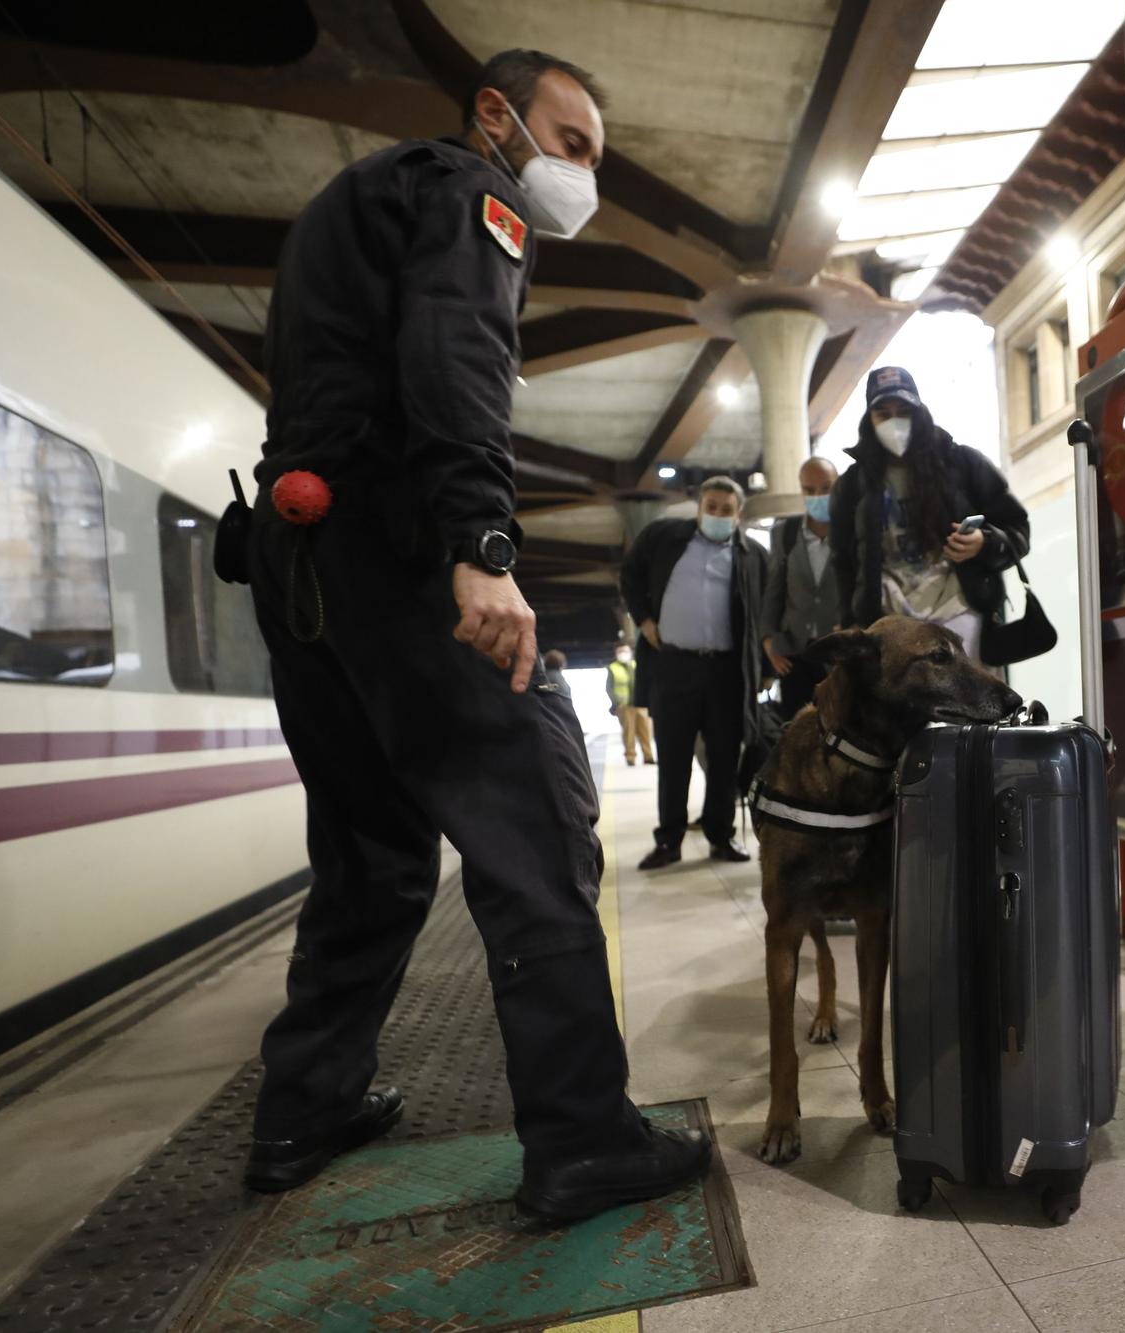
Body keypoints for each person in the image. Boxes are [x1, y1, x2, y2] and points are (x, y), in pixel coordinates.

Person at [239, 46, 709, 1220]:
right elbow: (455, 359)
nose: (578, 174)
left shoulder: (341, 207)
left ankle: (305, 1107)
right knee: (537, 830)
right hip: (400, 553)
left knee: (370, 856)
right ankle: (584, 1142)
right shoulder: (471, 191)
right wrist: (482, 547)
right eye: (570, 143)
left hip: (296, 556)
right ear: (496, 115)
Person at [830, 367, 1029, 661]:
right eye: (883, 414)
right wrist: (849, 621)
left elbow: (1018, 529)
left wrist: (984, 543)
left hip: (961, 613)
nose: (894, 422)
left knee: (968, 701)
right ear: (870, 420)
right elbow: (843, 562)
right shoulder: (851, 486)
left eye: (903, 412)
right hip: (890, 625)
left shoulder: (963, 464)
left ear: (920, 413)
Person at [618, 476, 766, 870]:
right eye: (711, 506)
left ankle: (722, 835)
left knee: (723, 759)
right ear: (699, 506)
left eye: (726, 509)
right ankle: (669, 840)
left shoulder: (753, 555)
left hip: (727, 672)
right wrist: (644, 619)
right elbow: (629, 575)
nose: (717, 514)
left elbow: (764, 613)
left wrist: (762, 670)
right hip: (673, 666)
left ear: (740, 514)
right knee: (673, 756)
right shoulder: (663, 536)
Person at [761, 455, 842, 718]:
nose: (817, 495)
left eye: (825, 488)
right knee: (797, 731)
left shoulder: (851, 531)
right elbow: (774, 591)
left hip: (839, 652)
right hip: (794, 652)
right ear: (801, 489)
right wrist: (768, 641)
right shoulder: (785, 533)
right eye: (809, 490)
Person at [606, 640, 654, 765]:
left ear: (630, 652)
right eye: (620, 651)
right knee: (629, 732)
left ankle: (648, 756)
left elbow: (646, 683)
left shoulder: (636, 665)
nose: (623, 653)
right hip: (624, 706)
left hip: (641, 704)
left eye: (625, 651)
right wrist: (617, 703)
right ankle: (630, 757)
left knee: (646, 731)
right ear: (616, 653)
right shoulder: (613, 668)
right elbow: (609, 688)